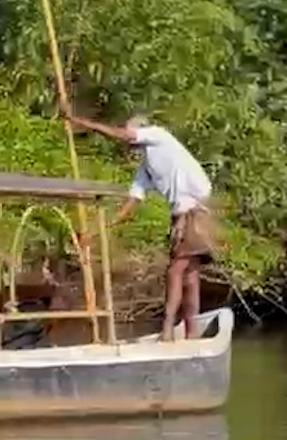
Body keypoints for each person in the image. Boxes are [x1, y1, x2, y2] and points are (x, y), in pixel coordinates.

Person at [69, 113, 215, 341]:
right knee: (189, 275)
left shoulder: (159, 136)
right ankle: (191, 332)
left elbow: (121, 135)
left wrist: (83, 123)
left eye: (132, 135)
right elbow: (129, 206)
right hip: (181, 215)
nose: (130, 143)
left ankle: (168, 331)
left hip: (195, 210)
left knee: (176, 272)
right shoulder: (145, 169)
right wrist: (96, 231)